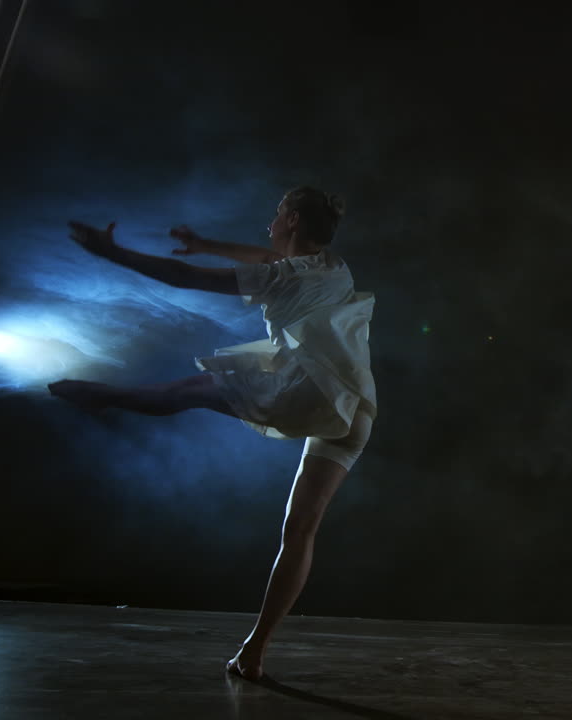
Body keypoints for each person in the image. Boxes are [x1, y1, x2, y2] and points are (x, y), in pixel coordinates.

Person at [49, 186, 378, 682]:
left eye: (276, 213)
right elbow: (265, 254)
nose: (270, 222)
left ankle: (107, 397)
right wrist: (207, 242)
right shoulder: (334, 267)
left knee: (193, 389)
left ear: (290, 219)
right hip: (357, 409)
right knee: (300, 530)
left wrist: (112, 252)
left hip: (314, 393)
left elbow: (185, 277)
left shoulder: (281, 277)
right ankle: (253, 652)